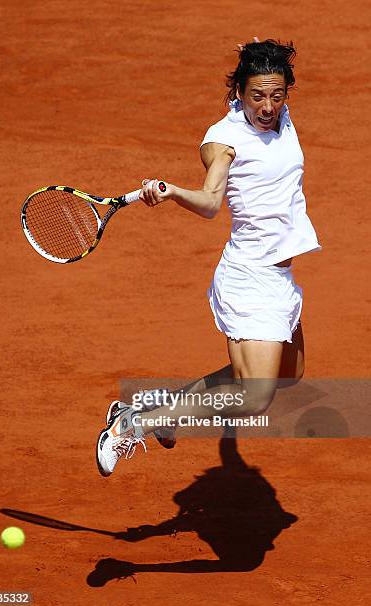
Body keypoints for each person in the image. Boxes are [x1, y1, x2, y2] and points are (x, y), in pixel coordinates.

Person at [96, 38, 321, 477]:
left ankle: (160, 407)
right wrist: (175, 192)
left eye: (277, 95)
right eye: (257, 96)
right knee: (255, 395)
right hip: (249, 278)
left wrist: (258, 50)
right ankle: (133, 424)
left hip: (281, 277)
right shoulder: (223, 141)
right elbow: (211, 201)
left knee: (288, 373)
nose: (268, 106)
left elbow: (267, 74)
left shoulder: (279, 117)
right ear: (238, 92)